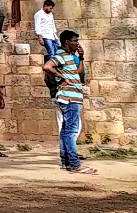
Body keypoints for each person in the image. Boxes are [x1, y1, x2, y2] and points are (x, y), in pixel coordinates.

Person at [43, 30, 96, 174]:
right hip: (69, 97)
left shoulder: (69, 57)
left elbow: (78, 72)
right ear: (67, 42)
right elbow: (47, 67)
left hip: (71, 97)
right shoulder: (60, 55)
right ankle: (74, 164)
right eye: (75, 41)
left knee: (66, 131)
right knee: (71, 131)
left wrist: (82, 57)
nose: (77, 43)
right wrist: (62, 78)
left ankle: (66, 162)